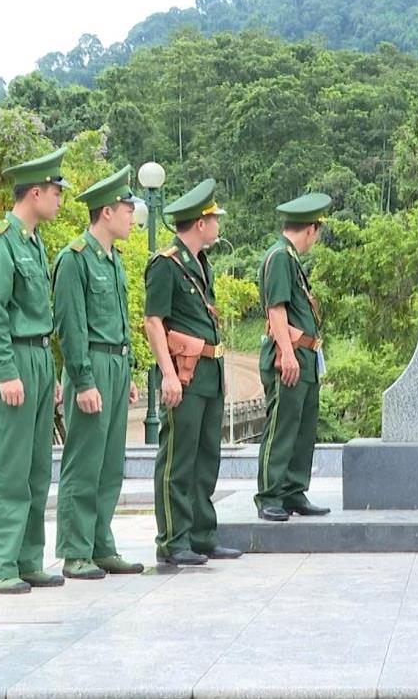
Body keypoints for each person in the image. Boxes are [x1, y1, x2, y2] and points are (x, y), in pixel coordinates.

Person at [0, 147, 70, 594]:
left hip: (38, 357)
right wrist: (8, 371)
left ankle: (28, 559)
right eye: (56, 191)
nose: (60, 200)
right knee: (8, 468)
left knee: (35, 468)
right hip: (11, 358)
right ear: (35, 192)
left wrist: (46, 376)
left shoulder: (32, 241)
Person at [143, 178, 242, 565]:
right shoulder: (166, 265)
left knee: (206, 457)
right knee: (178, 458)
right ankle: (173, 540)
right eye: (214, 218)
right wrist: (167, 374)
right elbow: (154, 322)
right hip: (184, 375)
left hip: (208, 374)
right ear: (200, 224)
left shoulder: (201, 264)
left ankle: (202, 535)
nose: (218, 224)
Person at [53, 165, 143, 580]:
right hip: (90, 364)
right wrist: (84, 380)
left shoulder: (114, 261)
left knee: (110, 462)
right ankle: (75, 550)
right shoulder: (74, 259)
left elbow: (120, 318)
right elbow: (71, 327)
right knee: (84, 461)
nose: (131, 215)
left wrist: (130, 372)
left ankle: (100, 543)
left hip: (116, 363)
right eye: (126, 208)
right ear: (106, 212)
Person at [255, 193, 333, 522]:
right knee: (282, 426)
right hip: (290, 356)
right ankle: (270, 495)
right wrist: (287, 354)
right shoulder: (279, 257)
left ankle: (293, 491)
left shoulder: (290, 259)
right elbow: (276, 309)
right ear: (311, 229)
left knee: (302, 428)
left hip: (306, 357)